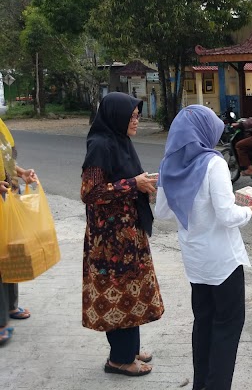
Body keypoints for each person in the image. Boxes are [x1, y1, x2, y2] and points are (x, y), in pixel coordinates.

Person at [156, 105, 252, 390]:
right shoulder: (213, 163)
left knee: (204, 324)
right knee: (227, 328)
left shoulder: (170, 163)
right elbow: (227, 216)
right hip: (223, 262)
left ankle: (201, 384)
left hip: (195, 261)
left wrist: (195, 205)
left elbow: (163, 212)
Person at [81, 92, 164, 377]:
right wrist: (132, 184)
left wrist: (143, 185)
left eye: (138, 116)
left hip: (127, 235)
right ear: (116, 116)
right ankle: (119, 360)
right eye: (132, 116)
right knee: (118, 295)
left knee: (131, 292)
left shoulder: (120, 142)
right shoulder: (100, 145)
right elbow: (89, 193)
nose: (136, 121)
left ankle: (129, 349)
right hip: (110, 242)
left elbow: (126, 180)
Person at [0, 118, 38, 346]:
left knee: (9, 251)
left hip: (6, 195)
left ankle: (11, 305)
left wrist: (21, 173)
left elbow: (6, 160)